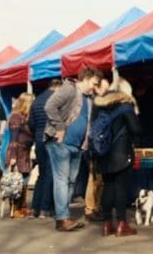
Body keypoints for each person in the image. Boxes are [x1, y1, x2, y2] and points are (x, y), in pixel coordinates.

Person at [45, 66, 101, 232]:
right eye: (94, 82)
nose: (95, 86)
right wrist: (60, 128)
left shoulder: (89, 98)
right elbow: (49, 106)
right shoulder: (69, 89)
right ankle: (62, 218)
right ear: (86, 78)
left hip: (77, 145)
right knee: (62, 180)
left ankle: (64, 215)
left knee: (70, 181)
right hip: (60, 142)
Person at [92, 79, 141, 237]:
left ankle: (107, 224)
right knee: (121, 187)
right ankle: (122, 223)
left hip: (103, 153)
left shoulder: (99, 105)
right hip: (121, 153)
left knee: (108, 186)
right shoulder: (126, 106)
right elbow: (136, 128)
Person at [30, 78, 62, 219]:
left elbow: (31, 122)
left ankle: (34, 208)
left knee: (41, 174)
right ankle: (45, 208)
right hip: (51, 139)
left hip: (38, 140)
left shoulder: (36, 101)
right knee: (51, 174)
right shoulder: (56, 100)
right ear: (56, 87)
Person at [84, 77, 111, 221]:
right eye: (104, 89)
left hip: (98, 144)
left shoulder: (97, 102)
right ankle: (90, 208)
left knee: (99, 179)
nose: (107, 91)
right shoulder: (96, 103)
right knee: (94, 178)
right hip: (95, 145)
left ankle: (96, 206)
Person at [5, 92, 35, 218]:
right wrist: (12, 158)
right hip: (17, 152)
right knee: (16, 182)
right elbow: (13, 139)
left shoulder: (25, 117)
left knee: (25, 180)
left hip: (25, 152)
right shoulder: (16, 117)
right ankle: (15, 208)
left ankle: (22, 206)